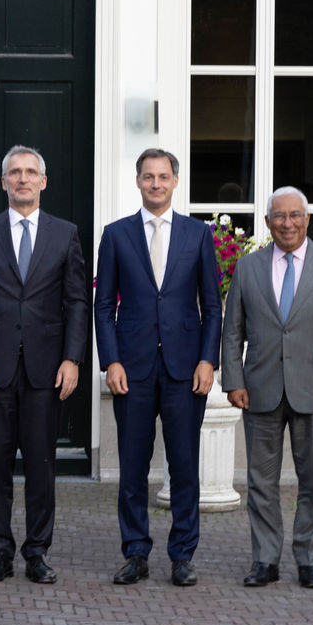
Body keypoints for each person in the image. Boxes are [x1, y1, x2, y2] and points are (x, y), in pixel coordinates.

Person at [93, 148, 221, 587]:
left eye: (163, 176)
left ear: (175, 181)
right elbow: (104, 303)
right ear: (137, 181)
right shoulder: (115, 235)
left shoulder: (198, 235)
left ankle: (182, 555)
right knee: (132, 466)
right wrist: (110, 360)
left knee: (184, 465)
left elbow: (213, 306)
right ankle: (135, 552)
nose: (155, 184)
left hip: (186, 370)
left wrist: (209, 360)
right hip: (132, 368)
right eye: (148, 176)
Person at [0, 146, 88, 585]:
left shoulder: (65, 233)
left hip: (45, 370)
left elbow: (76, 301)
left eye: (31, 172)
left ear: (43, 181)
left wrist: (72, 358)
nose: (22, 179)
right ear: (3, 182)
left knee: (41, 464)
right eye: (14, 173)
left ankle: (37, 551)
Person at [220, 186, 313, 589]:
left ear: (307, 219)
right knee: (261, 482)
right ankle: (265, 559)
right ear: (266, 222)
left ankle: (309, 561)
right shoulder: (248, 268)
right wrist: (233, 380)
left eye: (295, 215)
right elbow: (233, 333)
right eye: (278, 216)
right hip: (259, 389)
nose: (287, 223)